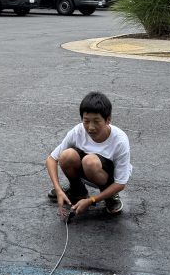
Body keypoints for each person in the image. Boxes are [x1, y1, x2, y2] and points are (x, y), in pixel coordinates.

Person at [46, 91, 132, 219]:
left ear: (108, 120)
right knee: (66, 155)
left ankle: (109, 196)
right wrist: (58, 189)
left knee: (89, 161)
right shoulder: (77, 131)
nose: (90, 127)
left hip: (108, 178)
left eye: (96, 121)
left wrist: (92, 200)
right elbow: (51, 159)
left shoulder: (120, 140)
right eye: (86, 121)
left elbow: (121, 183)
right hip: (87, 170)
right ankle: (77, 191)